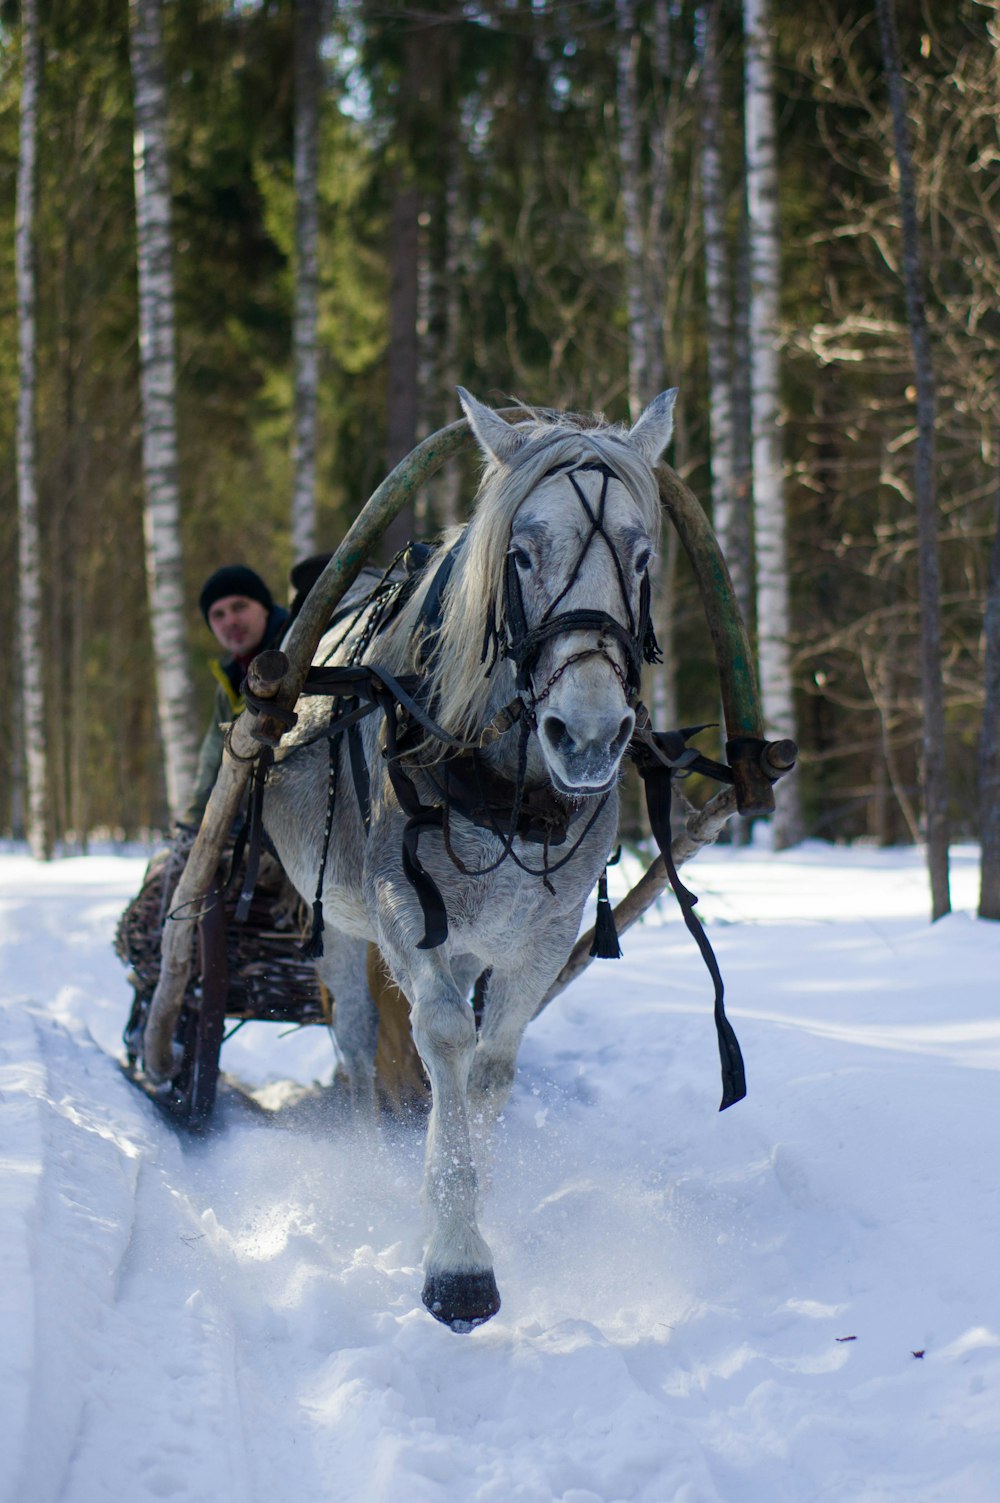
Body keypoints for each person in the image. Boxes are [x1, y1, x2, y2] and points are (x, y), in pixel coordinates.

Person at [181, 565, 289, 827]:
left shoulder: (295, 651)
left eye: (239, 606)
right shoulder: (230, 678)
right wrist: (194, 821)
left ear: (263, 607)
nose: (230, 621)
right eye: (218, 614)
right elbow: (211, 757)